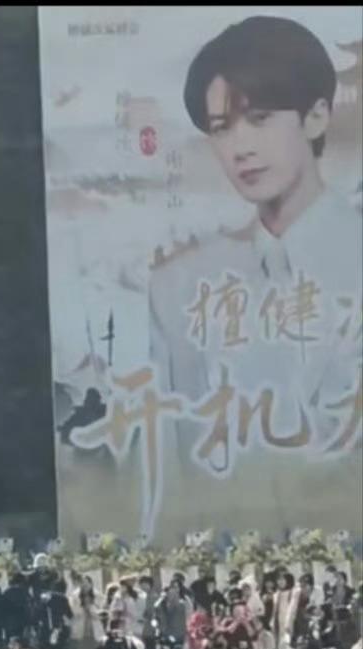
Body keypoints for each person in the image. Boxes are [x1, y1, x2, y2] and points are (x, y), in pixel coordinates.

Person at [150, 14, 361, 404]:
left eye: (259, 118)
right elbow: (176, 430)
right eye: (221, 127)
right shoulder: (179, 287)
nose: (240, 147)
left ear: (315, 118)